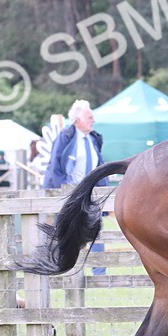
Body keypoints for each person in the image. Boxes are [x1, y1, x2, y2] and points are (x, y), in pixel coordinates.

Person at [43, 100, 107, 274]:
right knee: (63, 233)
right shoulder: (65, 137)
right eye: (89, 117)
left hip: (89, 194)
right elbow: (55, 167)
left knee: (96, 230)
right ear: (78, 120)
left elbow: (100, 167)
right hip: (69, 194)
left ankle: (99, 273)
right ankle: (55, 268)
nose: (93, 120)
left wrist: (103, 193)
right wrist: (64, 195)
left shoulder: (94, 139)